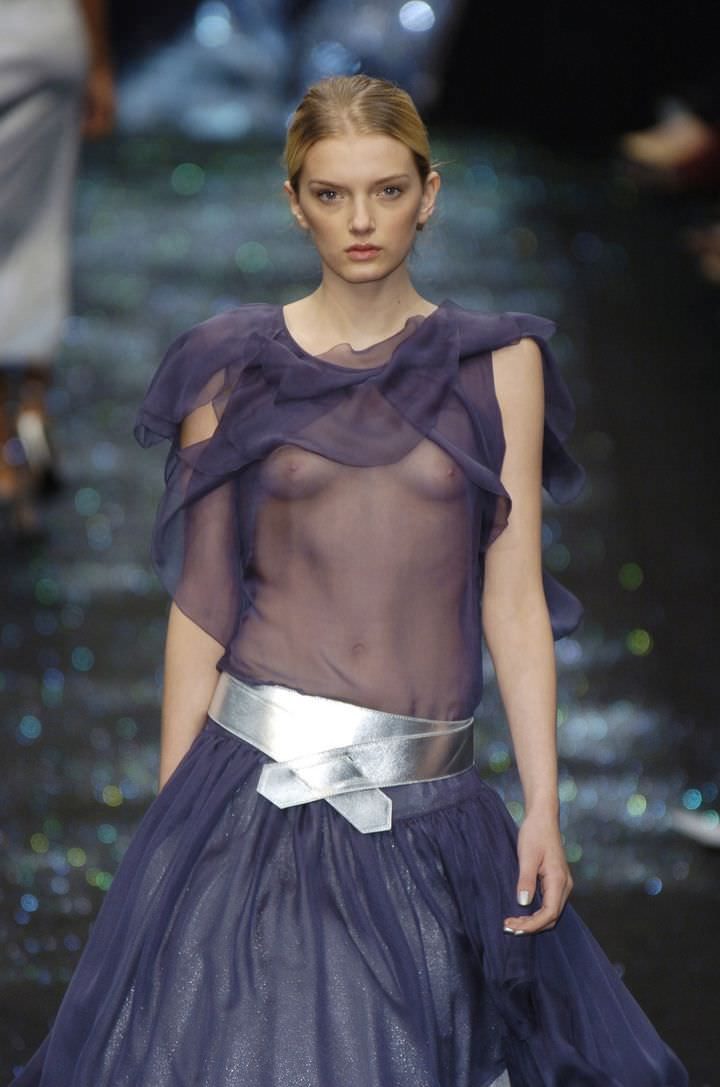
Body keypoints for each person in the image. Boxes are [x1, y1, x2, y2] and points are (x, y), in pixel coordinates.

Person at [9, 75, 688, 1086]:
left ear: (429, 193)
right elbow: (201, 609)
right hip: (253, 793)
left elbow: (512, 600)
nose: (361, 220)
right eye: (331, 194)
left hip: (434, 808)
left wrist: (545, 805)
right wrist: (170, 830)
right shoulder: (230, 369)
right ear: (295, 203)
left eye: (386, 190)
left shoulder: (498, 364)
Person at [0, 0, 114, 539]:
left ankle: (4, 445)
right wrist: (99, 62)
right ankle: (32, 406)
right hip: (49, 38)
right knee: (41, 227)